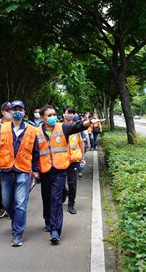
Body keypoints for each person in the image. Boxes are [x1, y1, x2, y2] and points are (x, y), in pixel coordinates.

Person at [38, 104, 104, 244]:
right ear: (42, 117)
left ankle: (55, 231)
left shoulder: (62, 127)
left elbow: (77, 127)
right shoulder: (36, 131)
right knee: (47, 198)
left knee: (56, 199)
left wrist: (88, 122)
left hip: (60, 170)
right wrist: (34, 170)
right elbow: (33, 152)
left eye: (54, 114)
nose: (52, 117)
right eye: (49, 115)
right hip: (45, 171)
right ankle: (48, 220)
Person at [0, 100, 40, 247]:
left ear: (24, 112)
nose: (17, 112)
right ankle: (17, 221)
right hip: (6, 169)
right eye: (14, 109)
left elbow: (36, 152)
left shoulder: (32, 130)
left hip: (23, 170)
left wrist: (35, 170)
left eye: (19, 109)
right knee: (7, 202)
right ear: (9, 111)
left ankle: (17, 233)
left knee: (20, 203)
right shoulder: (2, 128)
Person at [63, 106, 85, 214]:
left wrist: (83, 158)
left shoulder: (77, 129)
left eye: (72, 113)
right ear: (63, 114)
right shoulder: (58, 127)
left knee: (72, 183)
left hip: (74, 160)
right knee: (60, 183)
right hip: (61, 160)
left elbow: (81, 143)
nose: (70, 115)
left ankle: (71, 204)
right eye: (68, 112)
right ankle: (64, 193)